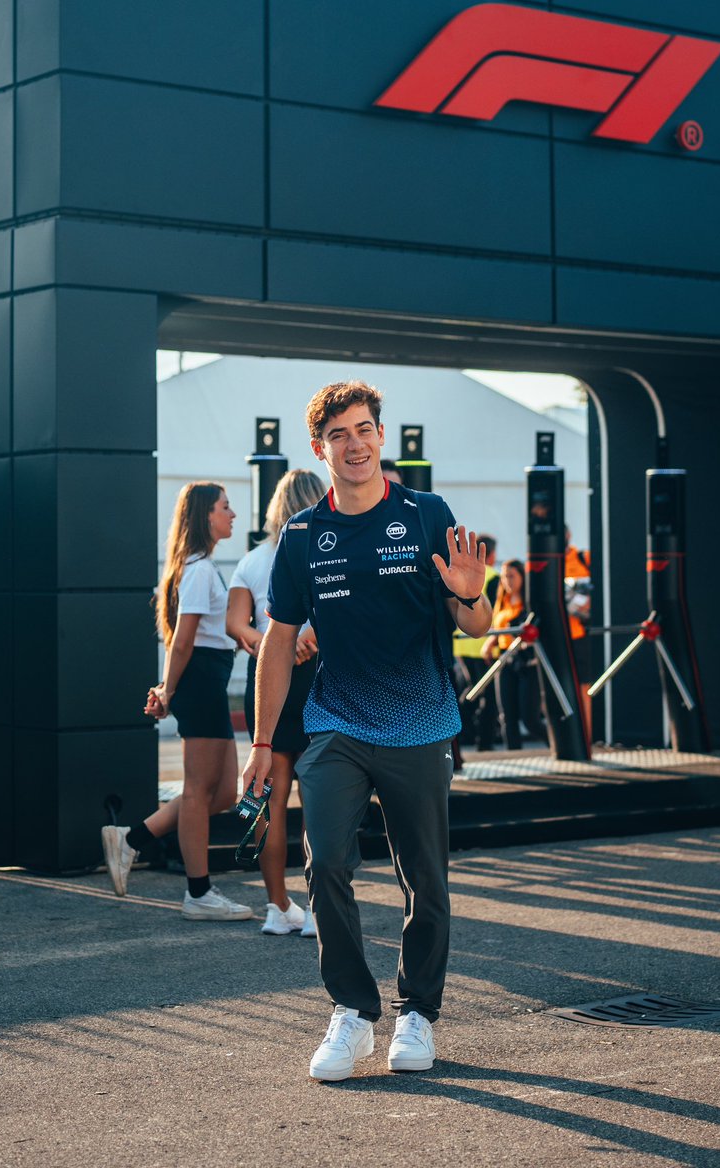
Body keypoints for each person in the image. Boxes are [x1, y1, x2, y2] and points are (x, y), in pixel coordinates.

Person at [243, 380, 491, 1082]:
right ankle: (352, 1011)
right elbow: (277, 642)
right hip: (336, 726)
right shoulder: (302, 536)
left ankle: (418, 1014)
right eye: (338, 435)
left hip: (420, 724)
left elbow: (476, 625)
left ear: (380, 436)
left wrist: (472, 593)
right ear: (319, 448)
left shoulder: (427, 514)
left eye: (363, 430)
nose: (354, 444)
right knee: (325, 862)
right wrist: (260, 743)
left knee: (425, 879)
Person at [100, 481, 252, 921]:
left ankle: (131, 840)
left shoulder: (202, 567)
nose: (232, 515)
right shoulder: (199, 570)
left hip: (209, 680)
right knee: (199, 791)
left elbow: (203, 635)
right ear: (205, 514)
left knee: (222, 793)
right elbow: (182, 642)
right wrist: (167, 689)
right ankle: (198, 893)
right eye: (225, 507)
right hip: (200, 682)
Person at [226, 469, 326, 937]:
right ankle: (319, 909)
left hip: (267, 678)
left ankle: (277, 905)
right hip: (316, 673)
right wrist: (305, 640)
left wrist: (263, 642)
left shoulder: (252, 559)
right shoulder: (325, 546)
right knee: (320, 797)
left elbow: (235, 624)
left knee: (269, 796)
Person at [481, 559, 544, 749]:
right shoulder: (502, 600)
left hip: (526, 661)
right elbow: (498, 628)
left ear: (522, 577)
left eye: (511, 576)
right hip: (504, 659)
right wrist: (490, 642)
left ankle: (556, 743)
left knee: (529, 717)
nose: (507, 581)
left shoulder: (530, 602)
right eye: (504, 576)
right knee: (507, 716)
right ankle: (513, 752)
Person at [454, 533, 500, 750]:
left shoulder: (460, 573)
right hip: (484, 644)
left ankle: (466, 733)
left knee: (473, 688)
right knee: (488, 695)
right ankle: (484, 742)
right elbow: (496, 612)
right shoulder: (493, 577)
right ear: (491, 555)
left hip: (462, 643)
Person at [565, 526, 593, 744]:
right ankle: (569, 737)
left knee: (584, 686)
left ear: (568, 535)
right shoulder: (544, 562)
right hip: (554, 636)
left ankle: (586, 737)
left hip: (579, 635)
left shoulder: (583, 558)